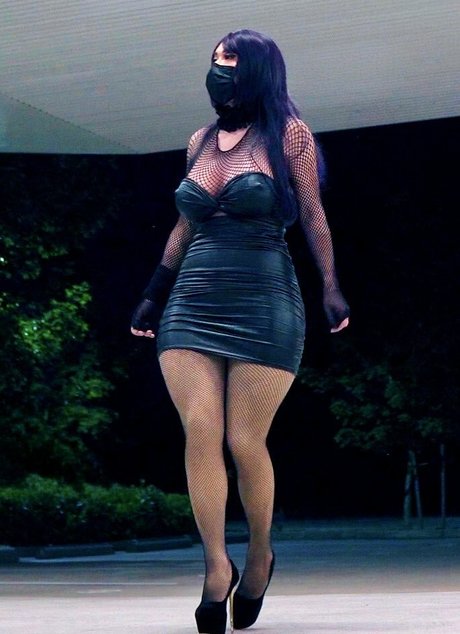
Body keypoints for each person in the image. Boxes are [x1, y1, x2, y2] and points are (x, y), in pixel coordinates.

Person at [131, 29, 350, 634]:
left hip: (265, 300)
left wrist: (330, 285)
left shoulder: (289, 135)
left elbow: (313, 214)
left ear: (255, 70)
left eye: (228, 60)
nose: (218, 69)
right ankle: (214, 567)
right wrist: (153, 292)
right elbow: (185, 224)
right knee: (201, 430)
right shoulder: (199, 140)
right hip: (192, 301)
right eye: (214, 60)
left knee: (244, 440)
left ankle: (259, 555)